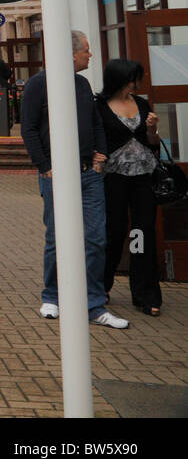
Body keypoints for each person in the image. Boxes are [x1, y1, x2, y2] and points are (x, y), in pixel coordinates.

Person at [19, 31, 127, 328]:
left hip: (88, 174)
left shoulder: (82, 84)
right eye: (87, 51)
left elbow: (94, 122)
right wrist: (44, 166)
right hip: (55, 175)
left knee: (95, 238)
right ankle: (52, 296)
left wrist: (101, 155)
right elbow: (27, 128)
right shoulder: (37, 85)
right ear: (71, 53)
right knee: (57, 237)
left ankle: (93, 304)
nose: (90, 55)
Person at [96, 59, 162, 316]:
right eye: (133, 78)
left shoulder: (141, 103)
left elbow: (153, 142)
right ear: (120, 78)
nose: (136, 82)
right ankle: (102, 286)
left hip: (143, 177)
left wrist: (152, 128)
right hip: (113, 178)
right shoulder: (99, 107)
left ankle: (146, 294)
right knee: (114, 231)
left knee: (142, 232)